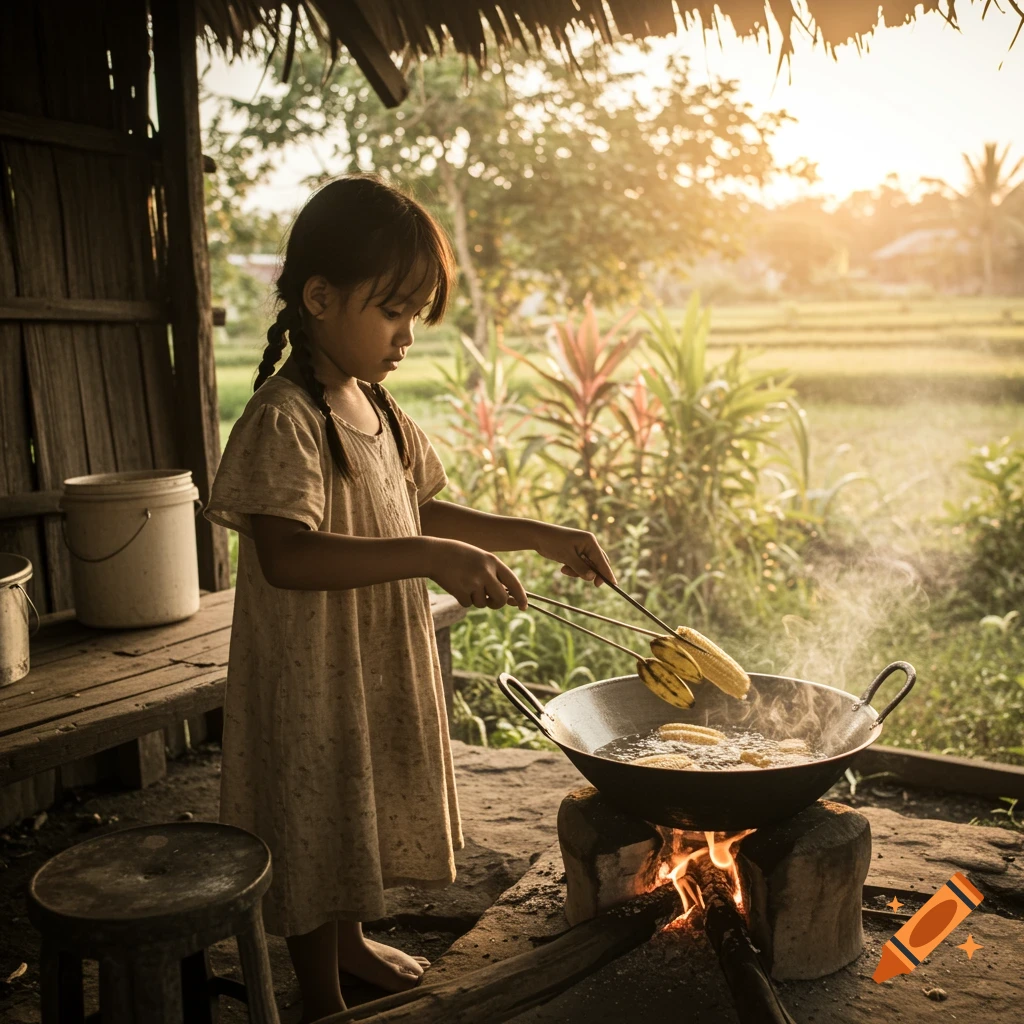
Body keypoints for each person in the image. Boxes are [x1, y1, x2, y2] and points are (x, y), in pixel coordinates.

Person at [204, 175, 617, 1023]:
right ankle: (319, 994)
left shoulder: (382, 410)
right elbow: (286, 554)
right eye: (392, 310)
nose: (406, 336)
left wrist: (539, 534)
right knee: (314, 818)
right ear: (320, 298)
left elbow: (419, 508)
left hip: (368, 651)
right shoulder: (285, 418)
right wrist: (430, 557)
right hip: (312, 664)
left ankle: (350, 946)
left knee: (350, 805)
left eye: (416, 315)